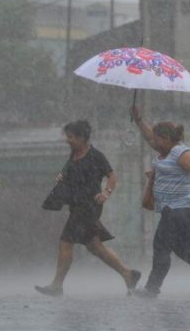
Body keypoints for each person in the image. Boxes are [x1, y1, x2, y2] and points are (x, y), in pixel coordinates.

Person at [130, 106, 190, 300]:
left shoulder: (181, 154)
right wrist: (138, 119)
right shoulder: (164, 150)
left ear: (167, 139)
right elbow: (149, 136)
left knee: (161, 245)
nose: (154, 142)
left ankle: (152, 289)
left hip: (181, 209)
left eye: (158, 139)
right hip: (175, 209)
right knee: (184, 249)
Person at [35, 120, 141, 296]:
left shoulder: (95, 156)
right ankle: (128, 274)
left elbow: (112, 176)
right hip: (77, 206)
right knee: (95, 246)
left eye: (70, 137)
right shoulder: (73, 155)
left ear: (82, 137)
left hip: (89, 207)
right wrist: (62, 178)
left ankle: (56, 285)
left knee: (66, 242)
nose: (67, 140)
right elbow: (76, 177)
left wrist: (106, 192)